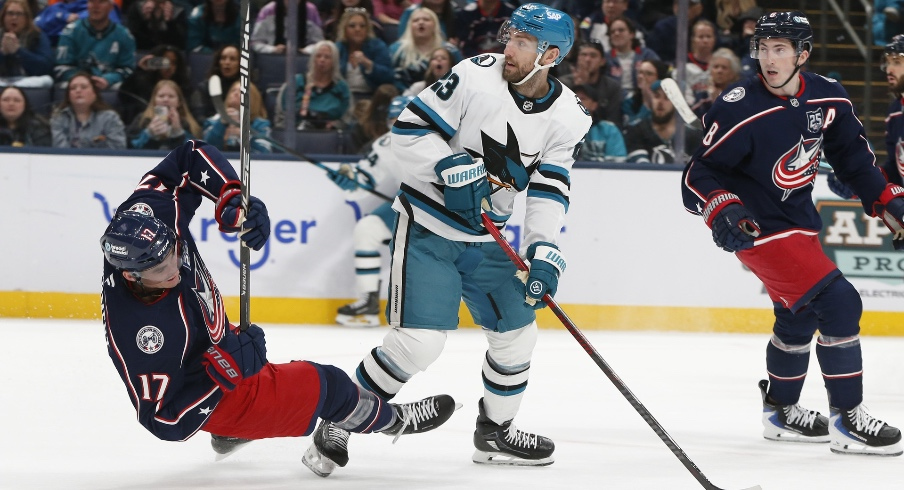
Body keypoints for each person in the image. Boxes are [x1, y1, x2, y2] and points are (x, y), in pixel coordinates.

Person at [99, 140, 458, 479]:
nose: (175, 268)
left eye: (174, 251)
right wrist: (224, 371)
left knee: (275, 376)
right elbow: (163, 422)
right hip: (220, 393)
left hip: (215, 345)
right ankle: (393, 420)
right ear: (131, 274)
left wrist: (231, 197)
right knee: (329, 385)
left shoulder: (148, 217)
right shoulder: (140, 334)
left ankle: (237, 432)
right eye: (160, 271)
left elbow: (190, 157)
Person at [337, 4, 590, 466]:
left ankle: (495, 433)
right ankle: (340, 420)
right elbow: (407, 132)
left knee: (518, 333)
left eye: (522, 42)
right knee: (419, 344)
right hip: (429, 227)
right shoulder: (475, 75)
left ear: (550, 54)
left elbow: (551, 189)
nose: (508, 48)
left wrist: (542, 250)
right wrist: (445, 165)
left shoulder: (570, 116)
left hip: (489, 238)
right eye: (510, 37)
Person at [681, 11, 902, 456]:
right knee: (839, 302)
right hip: (759, 230)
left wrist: (888, 201)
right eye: (762, 48)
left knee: (799, 315)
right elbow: (696, 175)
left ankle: (781, 411)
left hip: (800, 223)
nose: (769, 58)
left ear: (803, 54)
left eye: (780, 48)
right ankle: (848, 418)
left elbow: (855, 163)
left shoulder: (829, 99)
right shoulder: (738, 105)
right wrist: (721, 207)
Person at [329, 94, 412, 326]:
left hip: (446, 207)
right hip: (409, 203)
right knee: (367, 230)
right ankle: (369, 301)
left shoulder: (444, 138)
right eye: (393, 121)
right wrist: (349, 181)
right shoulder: (385, 144)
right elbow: (361, 183)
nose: (397, 126)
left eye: (403, 119)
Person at [53, 0, 136, 90]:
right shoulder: (71, 31)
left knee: (125, 87)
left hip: (110, 85)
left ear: (111, 7)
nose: (95, 6)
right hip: (77, 84)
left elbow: (128, 69)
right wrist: (84, 80)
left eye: (101, 2)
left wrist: (108, 80)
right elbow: (61, 67)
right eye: (92, 1)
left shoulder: (124, 35)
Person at [274, 39, 350, 129]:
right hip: (297, 132)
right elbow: (282, 114)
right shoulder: (295, 82)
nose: (322, 60)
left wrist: (335, 125)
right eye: (318, 56)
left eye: (327, 57)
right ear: (312, 59)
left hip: (329, 134)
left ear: (334, 62)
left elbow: (347, 118)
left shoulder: (342, 87)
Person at [624, 79, 702, 163]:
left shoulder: (693, 135)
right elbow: (639, 167)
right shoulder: (637, 130)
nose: (660, 102)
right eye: (657, 96)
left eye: (667, 98)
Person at [389, 7, 460, 93]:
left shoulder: (450, 50)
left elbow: (461, 76)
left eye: (426, 20)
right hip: (405, 97)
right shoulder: (396, 49)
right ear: (409, 26)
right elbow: (390, 77)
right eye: (416, 20)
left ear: (435, 25)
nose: (421, 22)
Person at [119, 44, 193, 126]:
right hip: (145, 124)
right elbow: (123, 95)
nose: (169, 67)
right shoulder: (141, 82)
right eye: (165, 62)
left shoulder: (183, 86)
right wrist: (140, 70)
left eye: (174, 63)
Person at [50, 71, 126, 148]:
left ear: (94, 93)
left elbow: (118, 148)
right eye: (73, 88)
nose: (78, 90)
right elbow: (60, 150)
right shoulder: (59, 117)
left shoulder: (110, 118)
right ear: (68, 95)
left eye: (84, 87)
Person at [558, 40, 623, 128]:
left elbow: (614, 122)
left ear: (602, 61)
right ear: (577, 59)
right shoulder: (563, 84)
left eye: (593, 56)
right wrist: (576, 89)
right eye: (583, 55)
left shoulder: (612, 87)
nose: (587, 59)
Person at [127, 79, 200, 150]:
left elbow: (196, 151)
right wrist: (148, 134)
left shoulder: (188, 124)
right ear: (154, 100)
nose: (165, 100)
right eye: (161, 96)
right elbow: (129, 147)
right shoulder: (142, 120)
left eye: (171, 96)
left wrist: (179, 134)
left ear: (179, 102)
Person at [335, 7, 394, 94]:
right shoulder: (338, 48)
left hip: (371, 97)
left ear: (367, 29)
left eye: (362, 26)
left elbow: (389, 77)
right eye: (352, 26)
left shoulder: (378, 46)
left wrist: (368, 64)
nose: (358, 29)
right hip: (343, 98)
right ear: (345, 29)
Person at [203, 79, 273, 152]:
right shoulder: (212, 121)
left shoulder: (260, 125)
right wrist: (221, 125)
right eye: (233, 90)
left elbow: (264, 152)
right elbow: (206, 150)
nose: (236, 93)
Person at [0, 0, 54, 88]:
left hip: (27, 80)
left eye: (19, 14)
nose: (14, 17)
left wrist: (18, 51)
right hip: (2, 80)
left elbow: (46, 67)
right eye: (10, 13)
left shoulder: (37, 35)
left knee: (47, 79)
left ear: (26, 18)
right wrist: (3, 53)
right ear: (3, 16)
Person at [605, 16, 659, 97]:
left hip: (642, 97)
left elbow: (660, 74)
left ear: (632, 34)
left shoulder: (646, 55)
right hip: (615, 99)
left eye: (621, 30)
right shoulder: (606, 58)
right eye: (612, 32)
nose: (616, 33)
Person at [573, 84, 626, 162]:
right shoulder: (561, 130)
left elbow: (617, 163)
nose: (577, 102)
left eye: (582, 98)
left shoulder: (609, 130)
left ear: (594, 105)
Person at [250, 0, 324, 54]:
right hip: (271, 59)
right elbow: (255, 43)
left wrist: (304, 51)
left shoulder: (311, 11)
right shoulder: (267, 11)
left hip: (303, 59)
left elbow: (319, 44)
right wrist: (272, 49)